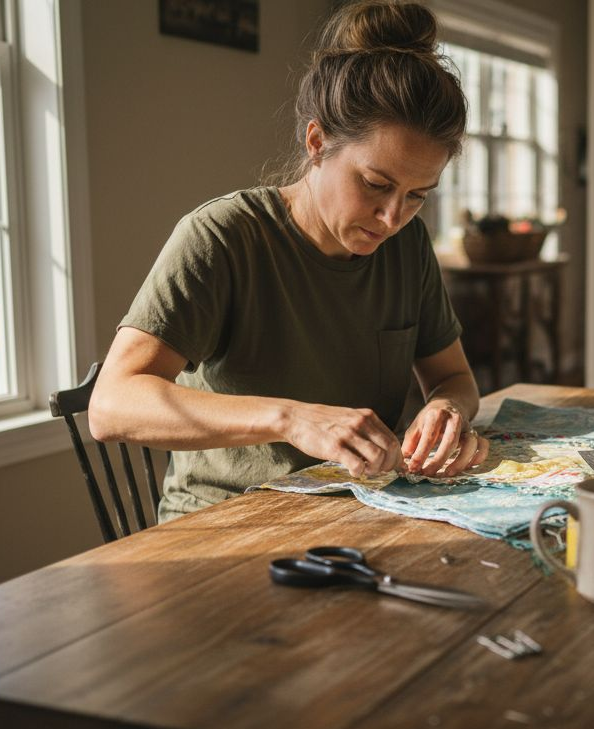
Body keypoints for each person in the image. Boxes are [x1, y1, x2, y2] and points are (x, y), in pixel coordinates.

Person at [88, 0, 489, 523]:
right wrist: (290, 419)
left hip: (362, 509)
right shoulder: (224, 237)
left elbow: (453, 378)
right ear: (317, 142)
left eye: (418, 195)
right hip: (227, 522)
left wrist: (446, 409)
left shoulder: (408, 245)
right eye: (376, 184)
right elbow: (112, 405)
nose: (392, 217)